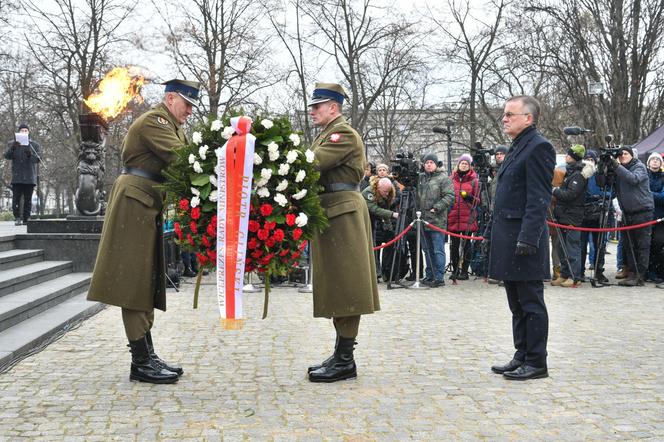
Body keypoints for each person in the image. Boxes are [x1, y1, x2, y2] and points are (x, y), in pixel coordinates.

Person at [87, 79, 201, 384]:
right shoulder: (156, 121)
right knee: (134, 280)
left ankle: (147, 355)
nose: (190, 111)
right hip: (135, 204)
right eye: (187, 104)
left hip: (145, 203)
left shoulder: (172, 124)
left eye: (192, 106)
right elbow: (183, 160)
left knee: (145, 278)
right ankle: (141, 361)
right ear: (170, 98)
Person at [307, 82, 380, 383]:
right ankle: (341, 353)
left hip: (343, 212)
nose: (312, 111)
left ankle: (345, 359)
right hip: (332, 211)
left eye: (318, 106)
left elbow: (312, 164)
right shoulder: (326, 133)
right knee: (337, 283)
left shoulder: (343, 134)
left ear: (333, 108)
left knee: (347, 283)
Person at [484, 95, 555, 380]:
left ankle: (537, 361)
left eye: (510, 114)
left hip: (525, 237)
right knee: (516, 302)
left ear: (529, 117)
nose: (504, 119)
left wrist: (528, 239)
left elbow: (539, 198)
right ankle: (521, 354)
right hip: (508, 234)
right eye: (504, 114)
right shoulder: (517, 146)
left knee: (530, 302)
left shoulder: (539, 147)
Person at [607, 146, 654, 286]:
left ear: (632, 155)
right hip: (627, 213)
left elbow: (633, 179)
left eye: (625, 153)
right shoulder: (619, 169)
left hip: (642, 211)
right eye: (620, 154)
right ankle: (632, 273)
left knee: (642, 245)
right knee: (629, 245)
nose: (622, 156)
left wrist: (616, 166)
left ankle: (640, 275)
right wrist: (604, 167)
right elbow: (605, 183)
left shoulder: (639, 167)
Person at [550, 144, 594, 287]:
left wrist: (555, 191)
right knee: (561, 247)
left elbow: (570, 195)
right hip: (564, 215)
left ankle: (575, 277)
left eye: (569, 155)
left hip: (572, 216)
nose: (566, 156)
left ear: (574, 157)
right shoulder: (570, 172)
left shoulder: (579, 175)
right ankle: (564, 274)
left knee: (572, 247)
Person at [417, 152, 454, 287]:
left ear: (436, 164)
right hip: (422, 220)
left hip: (437, 220)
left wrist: (436, 208)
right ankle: (429, 275)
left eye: (431, 162)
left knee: (438, 249)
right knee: (427, 250)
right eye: (426, 162)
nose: (428, 164)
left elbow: (449, 196)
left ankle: (439, 277)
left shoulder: (443, 179)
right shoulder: (420, 178)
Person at [579, 150, 610, 284]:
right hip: (583, 212)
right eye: (587, 159)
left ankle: (598, 270)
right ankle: (579, 271)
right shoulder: (580, 174)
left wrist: (601, 198)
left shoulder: (600, 173)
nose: (589, 162)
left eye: (592, 159)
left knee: (599, 244)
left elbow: (609, 190)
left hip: (599, 212)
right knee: (581, 245)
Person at [447, 153, 480, 280]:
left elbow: (479, 201)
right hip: (454, 216)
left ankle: (465, 271)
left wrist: (470, 197)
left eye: (466, 163)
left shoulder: (474, 180)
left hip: (468, 217)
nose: (464, 165)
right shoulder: (450, 179)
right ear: (458, 164)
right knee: (454, 245)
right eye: (462, 163)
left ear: (469, 166)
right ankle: (455, 269)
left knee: (466, 245)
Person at [362, 177, 399, 280]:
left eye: (388, 191)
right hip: (367, 221)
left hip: (378, 222)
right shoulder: (368, 192)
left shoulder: (389, 192)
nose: (387, 194)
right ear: (378, 187)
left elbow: (385, 208)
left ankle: (385, 273)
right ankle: (373, 274)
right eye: (385, 191)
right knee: (371, 248)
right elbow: (374, 209)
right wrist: (392, 214)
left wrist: (389, 227)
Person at [4, 123, 41, 225]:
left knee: (28, 199)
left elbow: (38, 159)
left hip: (29, 177)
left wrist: (30, 155)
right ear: (19, 132)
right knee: (16, 198)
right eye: (22, 130)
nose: (24, 132)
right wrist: (13, 148)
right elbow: (6, 156)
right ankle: (17, 217)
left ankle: (26, 218)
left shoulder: (35, 145)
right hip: (17, 177)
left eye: (26, 130)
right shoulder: (13, 144)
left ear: (28, 132)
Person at [645, 153, 664, 285]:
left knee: (658, 243)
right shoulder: (644, 176)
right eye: (653, 159)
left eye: (658, 160)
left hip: (659, 217)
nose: (655, 162)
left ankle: (655, 271)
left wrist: (647, 194)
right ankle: (645, 271)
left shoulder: (663, 178)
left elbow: (663, 198)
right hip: (644, 216)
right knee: (644, 245)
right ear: (648, 162)